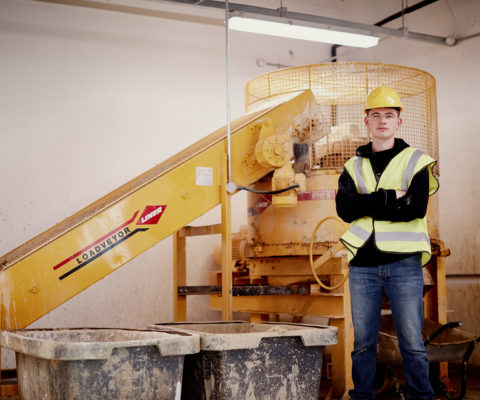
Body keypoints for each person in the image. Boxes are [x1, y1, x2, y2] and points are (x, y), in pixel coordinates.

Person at [335, 86, 439, 400]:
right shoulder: (352, 166)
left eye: (389, 115)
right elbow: (344, 210)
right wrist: (389, 197)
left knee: (411, 342)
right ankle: (363, 396)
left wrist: (367, 203)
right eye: (376, 115)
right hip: (362, 265)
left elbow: (417, 208)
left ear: (399, 122)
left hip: (403, 262)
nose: (382, 121)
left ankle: (421, 396)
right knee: (363, 342)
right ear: (366, 121)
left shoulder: (417, 161)